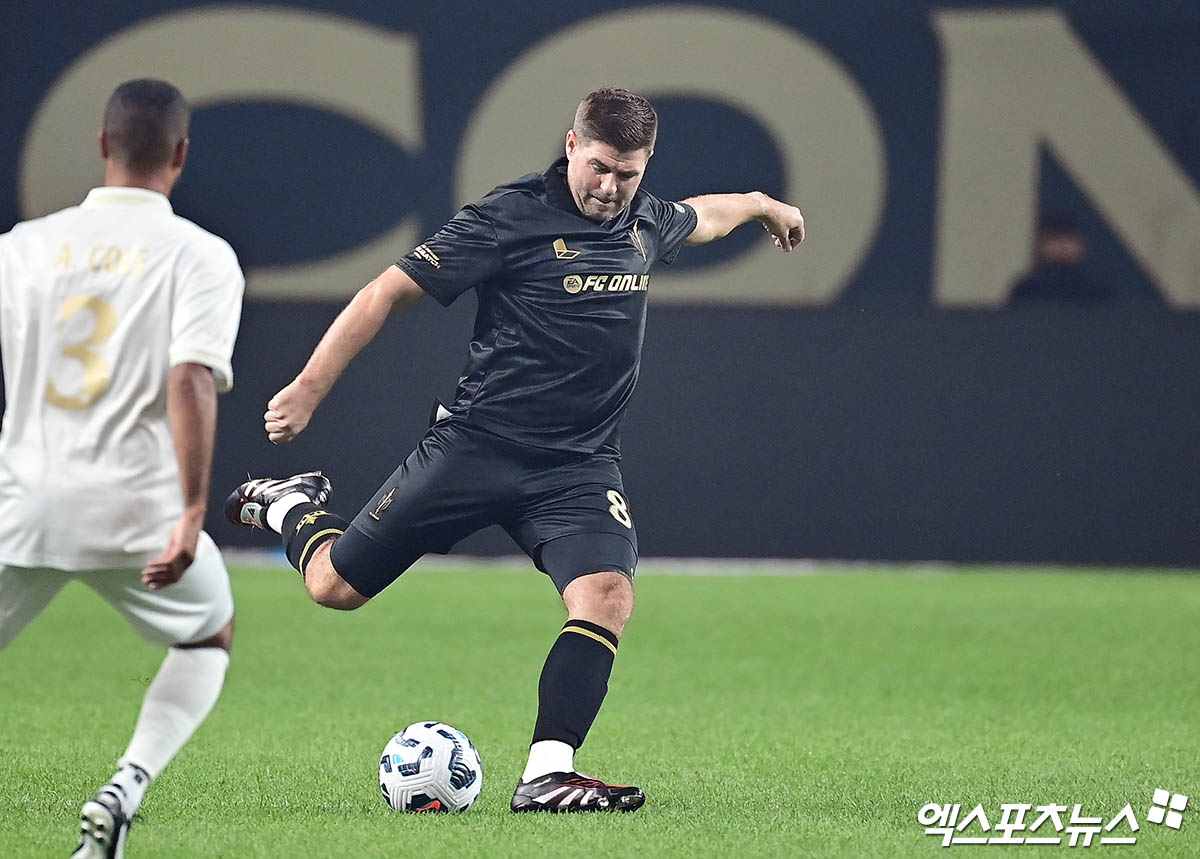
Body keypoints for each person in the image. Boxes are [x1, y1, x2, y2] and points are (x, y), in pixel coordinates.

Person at [225, 87, 804, 813]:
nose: (609, 187)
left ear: (646, 165)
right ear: (571, 145)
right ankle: (289, 507)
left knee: (607, 594)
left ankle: (548, 773)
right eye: (598, 167)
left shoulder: (646, 220)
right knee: (334, 589)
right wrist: (309, 389)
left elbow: (705, 216)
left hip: (578, 466)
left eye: (627, 174)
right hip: (476, 448)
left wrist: (761, 203)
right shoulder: (508, 217)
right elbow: (384, 293)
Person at [0, 79, 244, 857]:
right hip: (137, 512)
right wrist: (192, 511)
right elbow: (189, 376)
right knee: (208, 635)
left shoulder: (20, 248)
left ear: (103, 144)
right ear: (181, 154)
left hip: (23, 505)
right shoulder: (201, 256)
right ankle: (124, 788)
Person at [1007, 213, 1117, 305]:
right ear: (1041, 245)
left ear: (1081, 245)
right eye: (1054, 240)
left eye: (1068, 240)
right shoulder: (1027, 289)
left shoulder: (1098, 291)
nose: (1062, 246)